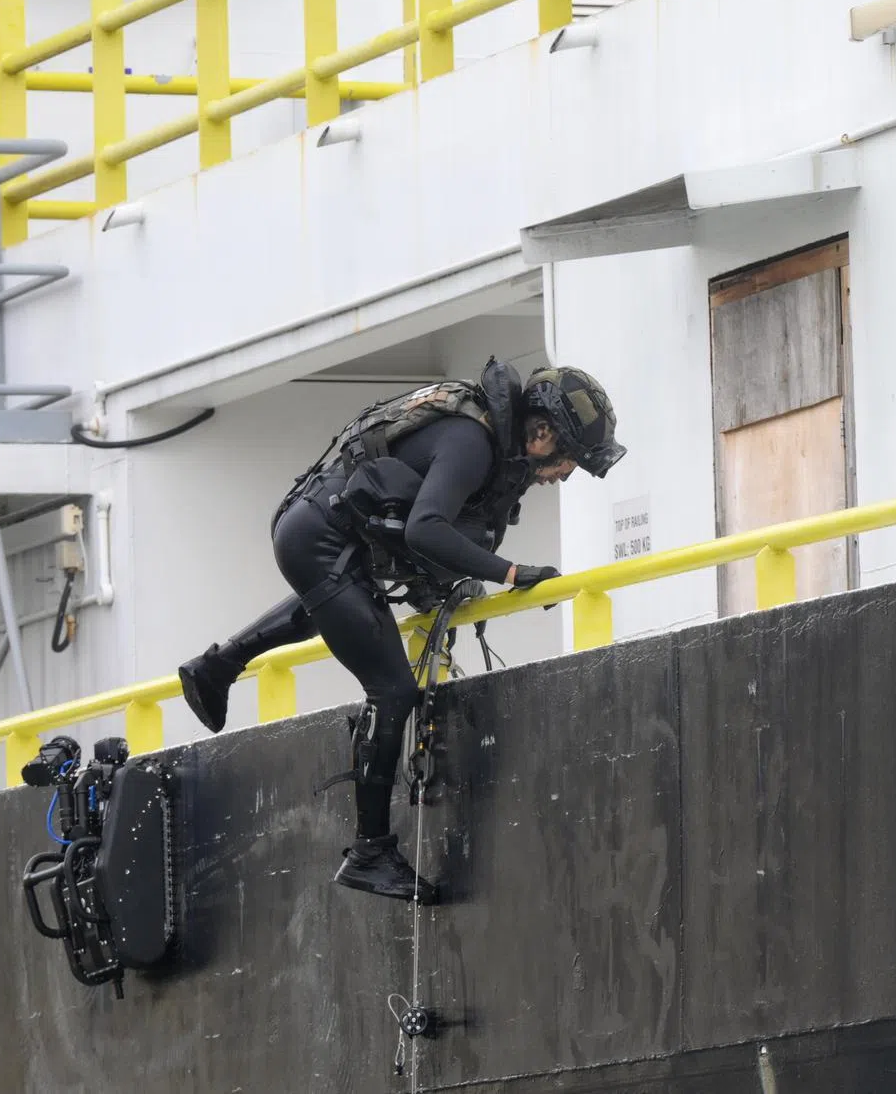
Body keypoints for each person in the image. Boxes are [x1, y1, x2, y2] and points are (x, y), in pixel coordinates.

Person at [178, 360, 626, 904]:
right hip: (319, 540)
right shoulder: (473, 442)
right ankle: (370, 852)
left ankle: (216, 668)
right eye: (569, 462)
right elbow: (426, 527)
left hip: (329, 539)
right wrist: (512, 573)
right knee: (392, 689)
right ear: (542, 435)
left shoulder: (483, 438)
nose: (564, 476)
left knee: (346, 603)